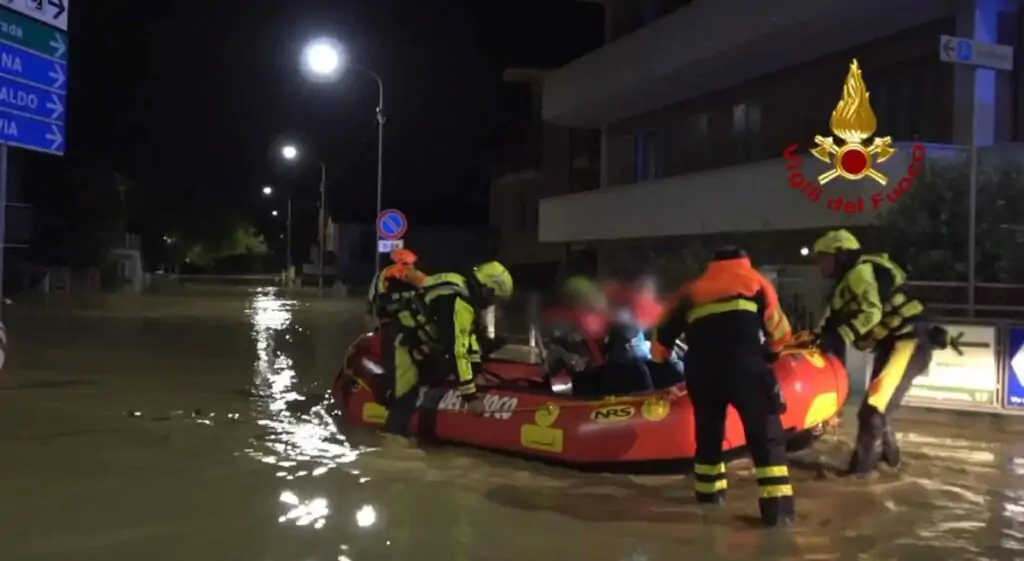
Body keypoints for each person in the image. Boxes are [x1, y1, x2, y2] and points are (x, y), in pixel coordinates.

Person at [650, 246, 795, 527]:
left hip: (702, 373)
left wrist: (664, 368)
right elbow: (781, 333)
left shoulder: (690, 291)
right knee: (766, 438)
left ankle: (709, 502)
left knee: (708, 435)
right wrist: (770, 354)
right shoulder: (756, 282)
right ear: (744, 261)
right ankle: (777, 514)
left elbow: (659, 346)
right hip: (746, 369)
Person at [809, 229, 961, 476]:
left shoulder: (859, 273)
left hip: (908, 344)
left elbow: (872, 314)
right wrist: (816, 339)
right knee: (878, 411)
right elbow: (829, 324)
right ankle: (891, 466)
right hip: (895, 346)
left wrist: (839, 337)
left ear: (841, 256)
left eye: (824, 258)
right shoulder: (844, 287)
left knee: (872, 412)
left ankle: (859, 478)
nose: (820, 265)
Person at [384, 261, 514, 435]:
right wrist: (470, 397)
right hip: (404, 343)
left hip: (419, 342)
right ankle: (392, 443)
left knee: (441, 370)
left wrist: (475, 369)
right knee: (405, 401)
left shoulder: (461, 291)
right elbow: (457, 349)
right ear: (486, 290)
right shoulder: (458, 302)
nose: (491, 304)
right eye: (494, 299)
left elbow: (469, 339)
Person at [367, 249, 428, 404]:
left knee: (391, 364)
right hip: (402, 326)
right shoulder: (398, 272)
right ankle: (397, 401)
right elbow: (427, 285)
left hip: (387, 325)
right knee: (399, 367)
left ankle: (390, 396)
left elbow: (369, 304)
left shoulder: (379, 276)